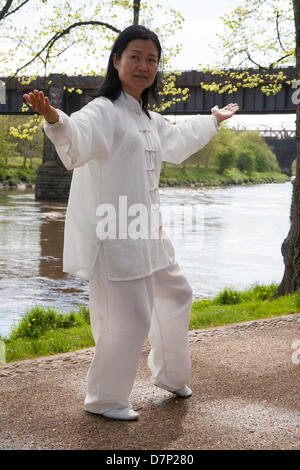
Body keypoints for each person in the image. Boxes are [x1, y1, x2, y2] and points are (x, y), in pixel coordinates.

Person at [24, 25, 239, 421]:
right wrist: (54, 117)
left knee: (177, 294)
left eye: (152, 59)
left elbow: (177, 139)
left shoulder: (147, 116)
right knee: (130, 317)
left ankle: (171, 376)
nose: (144, 65)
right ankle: (105, 399)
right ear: (117, 60)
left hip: (148, 230)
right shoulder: (103, 110)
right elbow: (79, 135)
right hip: (116, 231)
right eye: (135, 57)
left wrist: (213, 119)